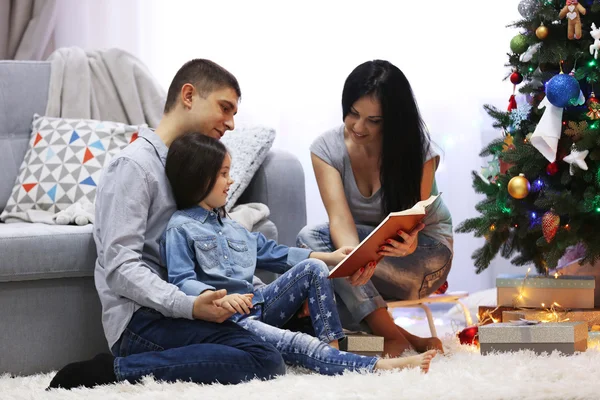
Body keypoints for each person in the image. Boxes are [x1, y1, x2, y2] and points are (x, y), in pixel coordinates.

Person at [48, 59, 286, 390]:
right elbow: (121, 268)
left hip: (186, 308)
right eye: (225, 108)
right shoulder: (134, 167)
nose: (231, 124)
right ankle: (111, 371)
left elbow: (217, 249)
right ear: (189, 95)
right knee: (266, 358)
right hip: (143, 321)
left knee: (281, 339)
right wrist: (190, 306)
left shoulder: (189, 169)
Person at [161, 133, 437, 375]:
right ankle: (377, 367)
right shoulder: (180, 228)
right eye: (223, 173)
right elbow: (181, 281)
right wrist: (219, 298)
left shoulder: (233, 227)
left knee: (314, 270)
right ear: (200, 176)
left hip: (260, 304)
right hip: (229, 321)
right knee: (298, 342)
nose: (231, 180)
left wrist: (332, 257)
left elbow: (278, 254)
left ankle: (333, 352)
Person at [297, 60, 453, 357]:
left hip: (423, 257)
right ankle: (401, 338)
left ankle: (393, 338)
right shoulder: (326, 149)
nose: (358, 126)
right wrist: (356, 260)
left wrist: (388, 252)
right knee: (310, 247)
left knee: (325, 278)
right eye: (353, 113)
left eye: (374, 120)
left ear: (392, 119)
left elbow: (410, 228)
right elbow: (339, 219)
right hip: (366, 263)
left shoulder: (417, 150)